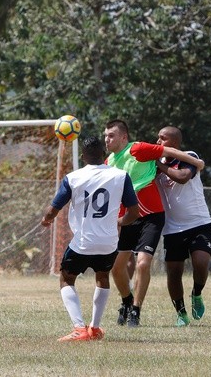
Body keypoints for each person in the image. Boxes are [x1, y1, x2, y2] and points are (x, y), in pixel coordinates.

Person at [104, 119, 205, 327]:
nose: (107, 139)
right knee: (116, 268)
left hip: (152, 216)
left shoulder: (139, 148)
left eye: (111, 135)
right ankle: (126, 301)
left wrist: (196, 162)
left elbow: (172, 154)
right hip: (127, 218)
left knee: (143, 264)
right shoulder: (108, 163)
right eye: (105, 135)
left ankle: (136, 311)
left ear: (124, 137)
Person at [41, 136, 140, 341]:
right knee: (102, 277)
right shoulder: (121, 176)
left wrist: (47, 219)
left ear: (83, 156)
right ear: (104, 154)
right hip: (109, 242)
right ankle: (94, 328)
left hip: (84, 241)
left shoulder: (74, 177)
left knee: (67, 278)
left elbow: (54, 208)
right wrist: (119, 222)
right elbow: (134, 212)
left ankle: (79, 328)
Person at [155, 126, 211, 327]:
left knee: (200, 263)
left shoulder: (189, 156)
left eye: (162, 138)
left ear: (174, 142)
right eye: (158, 138)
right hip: (173, 229)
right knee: (174, 272)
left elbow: (182, 177)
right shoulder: (156, 164)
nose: (158, 141)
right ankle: (181, 313)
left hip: (199, 223)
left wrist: (159, 166)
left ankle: (197, 294)